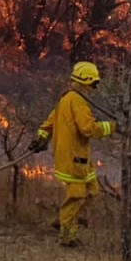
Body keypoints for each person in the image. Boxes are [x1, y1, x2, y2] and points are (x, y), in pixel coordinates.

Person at [29, 61, 115, 247]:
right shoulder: (76, 101)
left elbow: (49, 123)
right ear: (86, 81)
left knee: (92, 191)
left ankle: (65, 219)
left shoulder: (66, 98)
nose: (94, 88)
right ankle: (67, 237)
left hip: (81, 157)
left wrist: (40, 137)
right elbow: (88, 129)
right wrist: (112, 127)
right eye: (93, 83)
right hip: (73, 158)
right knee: (76, 196)